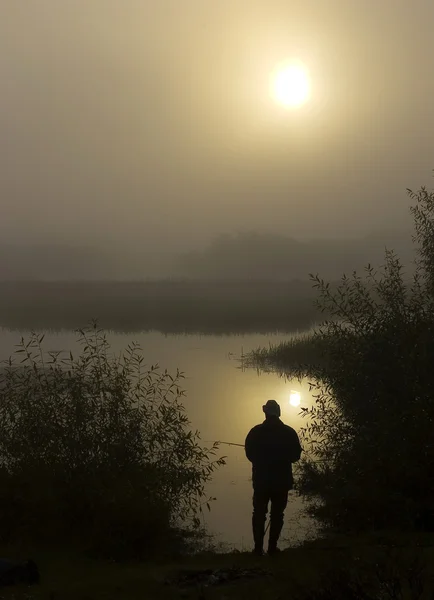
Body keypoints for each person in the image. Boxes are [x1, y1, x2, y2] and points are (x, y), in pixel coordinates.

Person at [245, 399, 302, 556]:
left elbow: (249, 454)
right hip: (281, 481)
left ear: (265, 412)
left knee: (258, 513)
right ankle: (272, 548)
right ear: (279, 413)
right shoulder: (289, 432)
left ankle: (257, 549)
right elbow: (296, 455)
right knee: (277, 515)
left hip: (261, 480)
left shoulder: (255, 432)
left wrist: (262, 461)